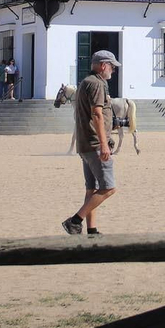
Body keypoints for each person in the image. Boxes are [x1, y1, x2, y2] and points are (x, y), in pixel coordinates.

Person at [63, 51, 118, 236]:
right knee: (108, 188)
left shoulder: (85, 82)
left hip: (85, 144)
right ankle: (74, 221)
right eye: (112, 67)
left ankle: (92, 230)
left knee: (91, 189)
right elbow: (97, 114)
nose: (113, 70)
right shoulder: (97, 84)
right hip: (95, 144)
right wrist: (104, 144)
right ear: (103, 65)